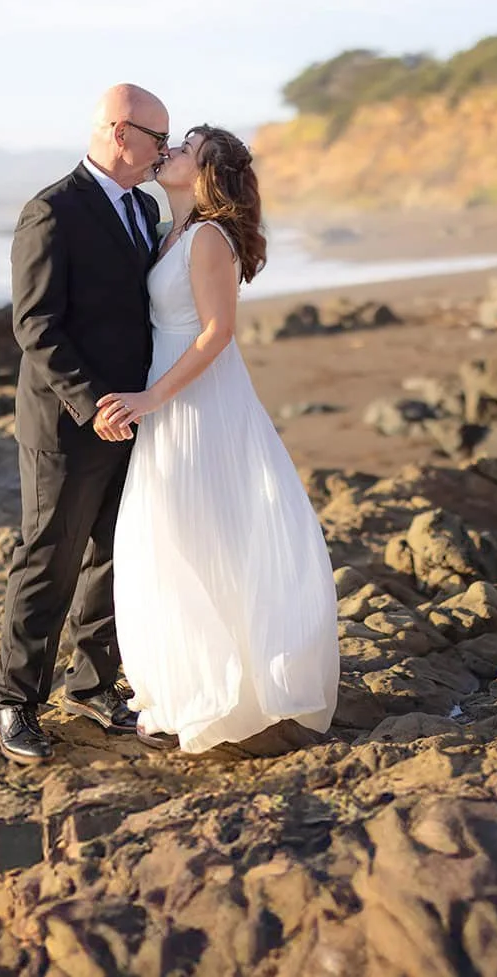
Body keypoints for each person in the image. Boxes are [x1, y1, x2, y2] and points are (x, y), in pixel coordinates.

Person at [95, 125, 342, 753]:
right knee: (176, 536)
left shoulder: (206, 238)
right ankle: (186, 686)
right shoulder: (164, 230)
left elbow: (217, 333)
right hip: (173, 394)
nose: (170, 150)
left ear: (203, 174)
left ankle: (228, 693)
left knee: (196, 533)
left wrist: (151, 398)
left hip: (196, 402)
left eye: (185, 148)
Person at [0, 83, 171, 765]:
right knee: (49, 558)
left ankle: (94, 686)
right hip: (69, 423)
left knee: (118, 552)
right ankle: (14, 699)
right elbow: (35, 324)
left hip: (136, 416)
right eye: (158, 137)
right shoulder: (52, 210)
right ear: (121, 133)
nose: (163, 150)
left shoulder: (145, 207)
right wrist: (93, 403)